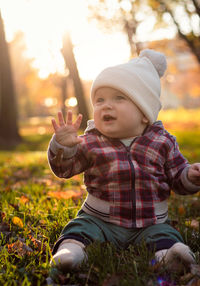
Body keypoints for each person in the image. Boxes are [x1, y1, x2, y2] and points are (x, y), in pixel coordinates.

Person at [48, 49, 200, 274]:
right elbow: (64, 169)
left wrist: (190, 175)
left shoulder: (162, 142)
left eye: (119, 98)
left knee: (164, 235)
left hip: (151, 222)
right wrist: (63, 146)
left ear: (145, 112)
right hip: (99, 218)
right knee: (81, 228)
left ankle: (169, 255)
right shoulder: (91, 141)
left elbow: (177, 177)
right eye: (100, 100)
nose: (106, 106)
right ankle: (71, 251)